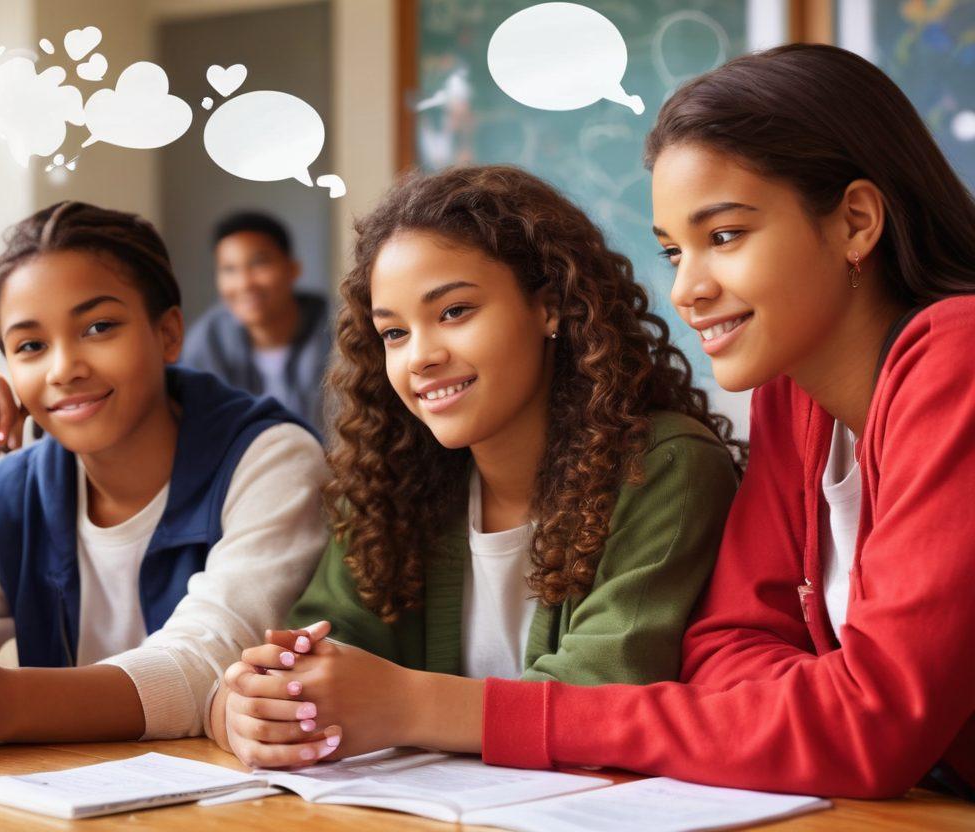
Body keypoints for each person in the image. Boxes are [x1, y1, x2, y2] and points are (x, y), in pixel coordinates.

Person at [252, 44, 975, 800]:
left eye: (724, 236)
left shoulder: (955, 357)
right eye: (672, 251)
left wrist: (831, 706)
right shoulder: (794, 399)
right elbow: (724, 650)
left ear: (855, 221)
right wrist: (815, 702)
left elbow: (870, 729)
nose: (688, 289)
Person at [211, 165, 743, 767]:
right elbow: (328, 644)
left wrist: (402, 703)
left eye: (455, 312)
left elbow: (606, 690)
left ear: (549, 308)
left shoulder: (665, 467)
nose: (421, 357)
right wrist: (263, 703)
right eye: (393, 333)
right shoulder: (394, 483)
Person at [0, 202, 329, 751]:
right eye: (31, 346)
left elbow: (209, 664)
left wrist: (2, 703)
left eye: (98, 327)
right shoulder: (9, 494)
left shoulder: (270, 459)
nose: (64, 368)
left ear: (168, 333)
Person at [181, 211, 331, 432]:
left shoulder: (338, 332)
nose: (244, 283)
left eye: (259, 264)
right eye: (229, 269)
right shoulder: (207, 340)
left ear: (293, 269)